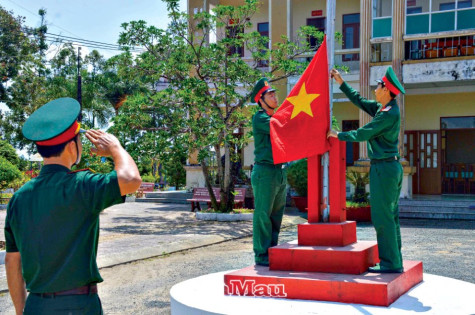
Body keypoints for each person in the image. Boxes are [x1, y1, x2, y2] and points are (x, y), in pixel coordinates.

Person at [4, 97, 142, 314]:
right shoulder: (82, 185)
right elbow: (131, 179)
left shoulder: (19, 198)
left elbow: (12, 262)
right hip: (78, 306)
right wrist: (115, 148)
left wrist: (23, 310)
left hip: (36, 305)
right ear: (71, 146)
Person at [328, 67, 405, 273]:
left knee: (382, 216)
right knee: (390, 215)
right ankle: (395, 260)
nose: (375, 89)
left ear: (386, 90)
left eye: (378, 86)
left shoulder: (387, 114)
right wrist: (341, 82)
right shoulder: (384, 108)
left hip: (384, 168)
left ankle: (390, 263)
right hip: (388, 167)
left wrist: (338, 135)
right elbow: (360, 101)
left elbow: (364, 133)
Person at [250, 78, 287, 266]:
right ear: (261, 99)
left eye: (274, 93)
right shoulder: (260, 118)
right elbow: (279, 126)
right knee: (263, 214)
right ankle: (262, 255)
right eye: (270, 94)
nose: (274, 96)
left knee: (276, 214)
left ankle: (272, 249)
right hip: (265, 171)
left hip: (279, 171)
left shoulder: (275, 116)